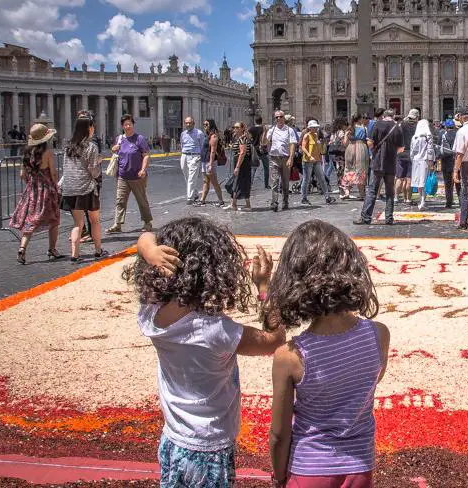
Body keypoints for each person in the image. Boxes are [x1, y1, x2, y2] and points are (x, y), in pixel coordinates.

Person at [128, 218, 285, 487]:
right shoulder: (215, 331)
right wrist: (263, 287)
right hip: (209, 446)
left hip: (173, 438)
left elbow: (144, 237)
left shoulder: (151, 314)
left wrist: (151, 252)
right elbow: (275, 340)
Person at [266, 220, 390, 487]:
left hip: (309, 468)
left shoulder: (291, 356)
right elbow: (367, 384)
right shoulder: (379, 334)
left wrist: (278, 476)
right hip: (360, 466)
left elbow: (279, 433)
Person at [10, 124, 63, 264]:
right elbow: (53, 173)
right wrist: (55, 186)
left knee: (30, 221)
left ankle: (22, 248)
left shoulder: (27, 153)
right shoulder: (48, 153)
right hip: (46, 191)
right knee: (54, 220)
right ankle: (52, 249)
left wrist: (32, 179)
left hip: (32, 191)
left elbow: (22, 174)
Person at [60, 116, 107, 262]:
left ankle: (75, 255)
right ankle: (98, 250)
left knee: (77, 223)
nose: (93, 130)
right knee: (94, 221)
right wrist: (98, 162)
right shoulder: (91, 147)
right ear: (88, 128)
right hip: (86, 189)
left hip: (70, 188)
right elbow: (93, 171)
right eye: (92, 127)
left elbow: (66, 168)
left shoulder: (68, 146)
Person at [355, 109, 403, 226]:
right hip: (391, 163)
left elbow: (370, 142)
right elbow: (401, 149)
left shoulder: (377, 124)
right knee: (390, 191)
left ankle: (366, 217)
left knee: (372, 190)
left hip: (377, 162)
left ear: (384, 116)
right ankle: (389, 218)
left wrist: (375, 152)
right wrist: (392, 152)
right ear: (393, 116)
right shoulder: (397, 127)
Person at [106, 114, 152, 234]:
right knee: (120, 201)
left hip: (137, 176)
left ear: (133, 125)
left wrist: (143, 169)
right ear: (122, 126)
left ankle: (147, 222)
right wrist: (113, 149)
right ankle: (117, 224)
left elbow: (146, 155)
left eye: (129, 124)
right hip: (122, 176)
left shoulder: (139, 139)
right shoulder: (120, 139)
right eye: (125, 124)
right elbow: (115, 151)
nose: (127, 126)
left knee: (142, 200)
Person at [265, 110, 297, 212]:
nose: (278, 119)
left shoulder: (289, 130)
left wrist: (291, 158)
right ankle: (274, 202)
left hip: (285, 158)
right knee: (274, 181)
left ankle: (285, 202)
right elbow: (265, 142)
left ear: (284, 118)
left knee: (285, 182)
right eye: (276, 117)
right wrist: (264, 132)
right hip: (274, 158)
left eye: (280, 117)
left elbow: (292, 144)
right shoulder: (272, 130)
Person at [300, 120, 335, 206]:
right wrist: (309, 156)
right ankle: (304, 198)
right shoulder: (306, 136)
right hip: (307, 161)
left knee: (322, 179)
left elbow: (318, 148)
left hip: (317, 160)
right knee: (306, 180)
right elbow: (303, 147)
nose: (316, 129)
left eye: (316, 127)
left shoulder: (316, 136)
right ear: (310, 128)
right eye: (314, 127)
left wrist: (322, 145)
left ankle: (327, 197)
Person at [225, 121, 253, 211]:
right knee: (237, 182)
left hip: (242, 163)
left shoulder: (242, 139)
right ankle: (234, 204)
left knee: (240, 182)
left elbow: (242, 153)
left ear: (242, 129)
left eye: (237, 127)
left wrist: (237, 167)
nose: (235, 129)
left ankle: (245, 205)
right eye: (234, 127)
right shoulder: (239, 138)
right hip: (240, 162)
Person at [341, 114, 369, 200]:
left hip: (350, 149)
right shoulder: (364, 129)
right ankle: (361, 193)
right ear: (360, 119)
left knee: (348, 169)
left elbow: (345, 143)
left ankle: (347, 192)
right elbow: (368, 140)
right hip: (361, 148)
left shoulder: (349, 129)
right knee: (361, 170)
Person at [394, 109, 419, 206]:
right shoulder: (416, 127)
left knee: (399, 177)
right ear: (416, 117)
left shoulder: (401, 125)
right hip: (411, 153)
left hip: (400, 152)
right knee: (409, 178)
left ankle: (396, 197)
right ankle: (408, 199)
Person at [199, 119, 226, 207]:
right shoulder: (207, 135)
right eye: (204, 124)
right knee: (205, 181)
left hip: (209, 162)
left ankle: (221, 201)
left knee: (214, 182)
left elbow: (212, 151)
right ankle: (202, 200)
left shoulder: (213, 136)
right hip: (204, 161)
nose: (205, 125)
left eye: (206, 124)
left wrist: (210, 164)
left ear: (211, 125)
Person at [410, 119, 435, 210]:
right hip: (425, 160)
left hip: (416, 161)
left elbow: (412, 151)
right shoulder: (428, 137)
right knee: (424, 181)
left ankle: (421, 200)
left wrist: (412, 159)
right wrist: (431, 160)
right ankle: (423, 201)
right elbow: (430, 150)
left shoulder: (414, 137)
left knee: (419, 182)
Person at [179, 117, 205, 205]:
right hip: (184, 155)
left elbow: (202, 145)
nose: (188, 124)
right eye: (186, 123)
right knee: (186, 175)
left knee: (192, 177)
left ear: (193, 124)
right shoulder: (183, 134)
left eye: (190, 123)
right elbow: (182, 144)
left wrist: (200, 157)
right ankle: (195, 193)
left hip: (195, 156)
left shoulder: (199, 133)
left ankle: (190, 197)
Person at [436, 119, 459, 209]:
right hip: (456, 160)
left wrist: (437, 158)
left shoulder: (442, 134)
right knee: (458, 183)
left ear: (445, 127)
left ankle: (448, 202)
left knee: (448, 184)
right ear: (453, 126)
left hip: (446, 161)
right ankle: (461, 201)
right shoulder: (458, 134)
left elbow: (438, 147)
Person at [249, 115, 270, 190]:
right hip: (263, 150)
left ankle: (250, 184)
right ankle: (266, 184)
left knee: (253, 167)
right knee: (266, 167)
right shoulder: (263, 128)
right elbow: (266, 139)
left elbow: (249, 138)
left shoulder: (251, 128)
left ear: (255, 121)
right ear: (261, 121)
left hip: (254, 150)